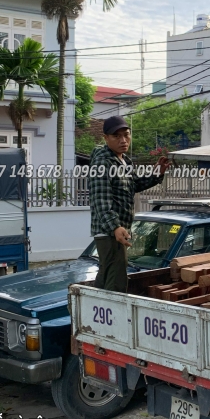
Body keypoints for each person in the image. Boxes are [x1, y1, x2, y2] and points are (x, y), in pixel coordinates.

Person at [89, 116, 171, 292]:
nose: (123, 140)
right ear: (106, 138)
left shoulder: (125, 161)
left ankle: (96, 304)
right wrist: (115, 227)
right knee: (116, 277)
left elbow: (134, 185)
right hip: (108, 231)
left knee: (109, 273)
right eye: (116, 136)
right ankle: (111, 307)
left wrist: (157, 173)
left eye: (126, 135)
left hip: (118, 230)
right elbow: (100, 200)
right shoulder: (102, 162)